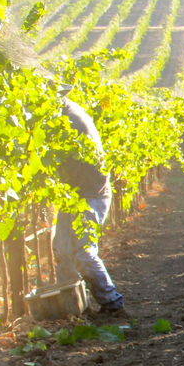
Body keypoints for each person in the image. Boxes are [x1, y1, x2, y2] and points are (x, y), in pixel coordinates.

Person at [52, 89, 126, 314]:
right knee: (62, 249)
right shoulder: (68, 111)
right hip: (77, 194)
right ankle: (73, 306)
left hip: (91, 194)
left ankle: (112, 303)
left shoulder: (67, 119)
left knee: (82, 252)